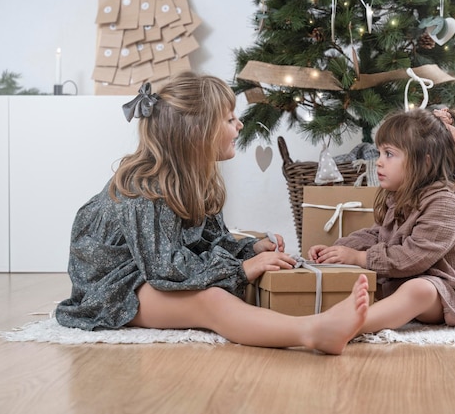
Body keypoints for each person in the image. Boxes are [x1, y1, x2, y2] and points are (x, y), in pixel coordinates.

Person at [55, 72, 370, 355]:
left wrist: (247, 249)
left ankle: (306, 319)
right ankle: (314, 332)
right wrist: (241, 269)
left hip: (149, 268)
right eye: (230, 118)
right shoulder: (145, 188)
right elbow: (166, 270)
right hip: (115, 286)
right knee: (212, 301)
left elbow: (208, 239)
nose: (240, 125)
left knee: (228, 277)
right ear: (197, 132)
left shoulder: (195, 180)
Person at [308, 107, 455, 333]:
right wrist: (338, 250)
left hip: (450, 293)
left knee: (419, 290)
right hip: (408, 277)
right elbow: (378, 235)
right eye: (380, 153)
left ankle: (347, 326)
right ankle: (337, 315)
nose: (379, 162)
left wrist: (360, 257)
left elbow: (413, 257)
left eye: (389, 154)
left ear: (425, 162)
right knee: (368, 282)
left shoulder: (446, 204)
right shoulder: (404, 196)